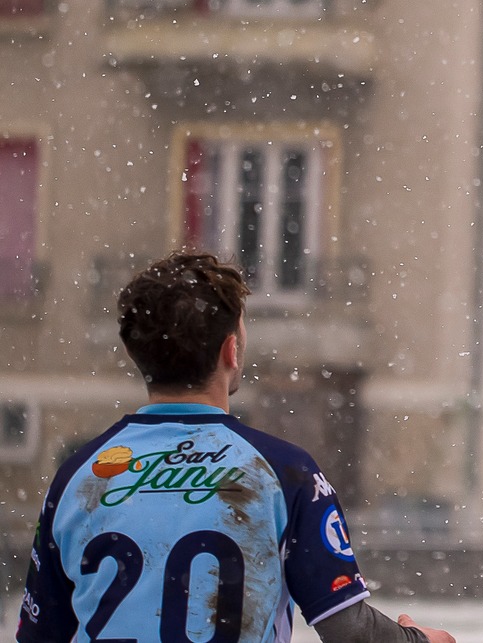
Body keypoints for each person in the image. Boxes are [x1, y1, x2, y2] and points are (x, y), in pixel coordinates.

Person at [17, 254, 456, 643]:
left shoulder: (78, 475)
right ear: (231, 351)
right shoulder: (286, 473)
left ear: (136, 354)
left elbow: (41, 633)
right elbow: (350, 632)